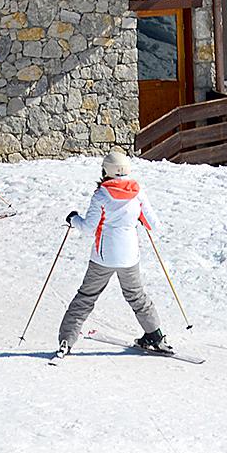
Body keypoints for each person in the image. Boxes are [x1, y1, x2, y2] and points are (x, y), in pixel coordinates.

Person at [54, 149, 171, 358]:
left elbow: (89, 227)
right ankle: (156, 336)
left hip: (103, 256)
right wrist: (137, 218)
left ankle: (66, 341)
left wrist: (73, 219)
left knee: (86, 297)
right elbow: (154, 224)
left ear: (106, 170)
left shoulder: (101, 194)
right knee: (137, 296)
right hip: (129, 257)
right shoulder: (138, 191)